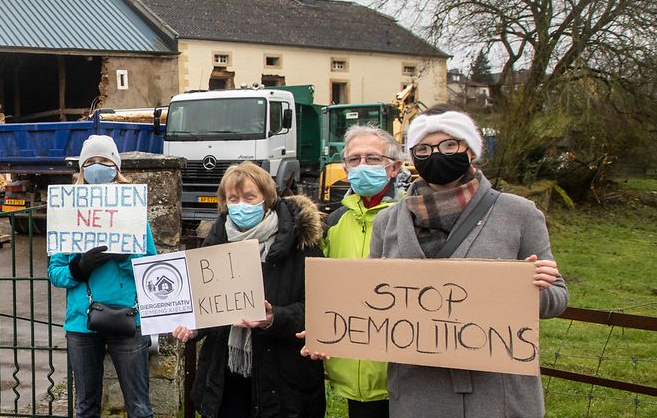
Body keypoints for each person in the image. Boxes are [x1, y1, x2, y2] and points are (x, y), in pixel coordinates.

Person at [305, 108, 566, 417]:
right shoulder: (389, 221)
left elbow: (557, 300)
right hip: (416, 394)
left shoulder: (518, 214)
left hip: (496, 396)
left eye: (449, 146)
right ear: (413, 158)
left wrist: (535, 288)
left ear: (470, 150)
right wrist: (328, 332)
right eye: (424, 149)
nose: (437, 155)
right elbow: (371, 301)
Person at [174, 162, 325, 418]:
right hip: (226, 377)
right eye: (233, 198)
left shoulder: (301, 244)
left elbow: (321, 307)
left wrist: (274, 317)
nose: (241, 204)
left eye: (249, 197)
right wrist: (193, 325)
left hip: (284, 380)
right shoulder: (216, 242)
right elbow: (206, 303)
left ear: (266, 199)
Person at [46, 135, 156, 418]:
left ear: (116, 167)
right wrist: (78, 268)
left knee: (139, 407)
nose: (97, 166)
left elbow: (151, 270)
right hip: (82, 322)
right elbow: (55, 271)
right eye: (91, 162)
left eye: (105, 161)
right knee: (85, 407)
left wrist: (125, 258)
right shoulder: (66, 214)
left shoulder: (134, 215)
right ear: (82, 169)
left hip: (129, 319)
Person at [320, 126, 406, 418]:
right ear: (344, 168)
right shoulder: (335, 222)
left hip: (403, 370)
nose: (362, 166)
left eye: (372, 158)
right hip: (352, 365)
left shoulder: (413, 217)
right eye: (354, 160)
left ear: (393, 168)